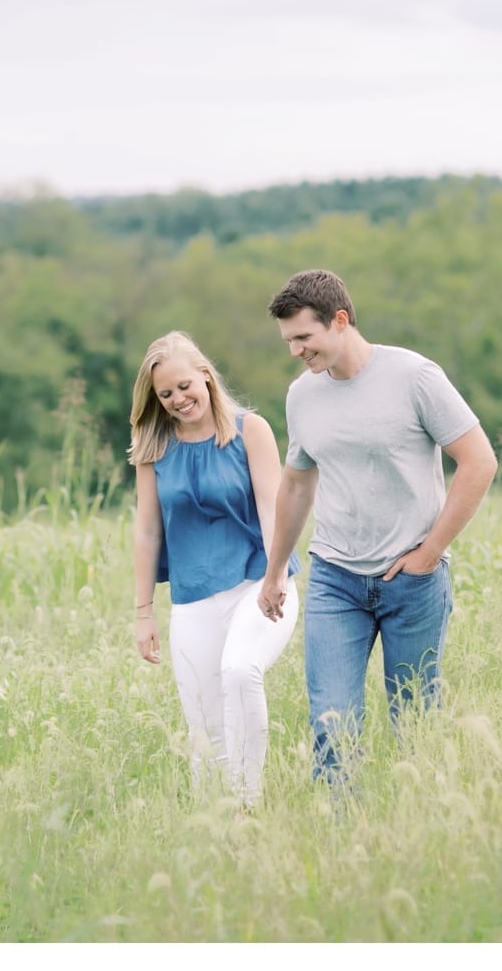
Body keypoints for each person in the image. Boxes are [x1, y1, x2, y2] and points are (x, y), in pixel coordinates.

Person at [257, 269, 497, 787]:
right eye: (288, 341)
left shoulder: (414, 377)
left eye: (304, 337)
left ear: (339, 320)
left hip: (411, 580)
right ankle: (344, 842)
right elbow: (296, 485)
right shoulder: (302, 396)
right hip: (334, 580)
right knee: (331, 724)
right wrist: (275, 571)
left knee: (414, 723)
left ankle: (420, 830)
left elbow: (478, 461)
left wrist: (430, 553)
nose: (295, 350)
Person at [130, 330, 301, 809]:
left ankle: (250, 806)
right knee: (203, 724)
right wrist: (143, 613)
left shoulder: (251, 430)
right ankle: (216, 824)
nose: (178, 399)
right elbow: (147, 532)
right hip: (193, 596)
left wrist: (276, 578)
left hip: (258, 582)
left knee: (240, 671)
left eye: (184, 386)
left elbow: (273, 507)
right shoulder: (153, 447)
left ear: (205, 375)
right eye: (165, 395)